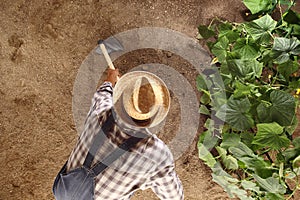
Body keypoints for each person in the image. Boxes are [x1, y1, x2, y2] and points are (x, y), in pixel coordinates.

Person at [53, 69, 184, 200]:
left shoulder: (99, 113)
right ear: (154, 116)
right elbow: (175, 197)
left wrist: (110, 79)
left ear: (121, 100)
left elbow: (102, 94)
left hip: (63, 190)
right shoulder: (158, 156)